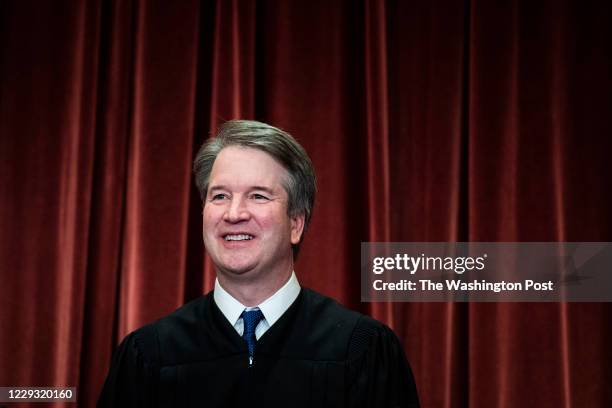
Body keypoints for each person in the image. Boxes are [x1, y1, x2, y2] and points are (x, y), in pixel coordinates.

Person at [98, 120, 419, 407]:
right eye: (219, 196)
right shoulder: (150, 354)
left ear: (296, 223)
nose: (234, 213)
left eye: (258, 196)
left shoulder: (362, 349)